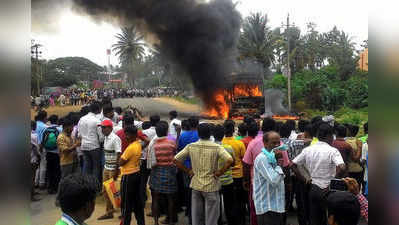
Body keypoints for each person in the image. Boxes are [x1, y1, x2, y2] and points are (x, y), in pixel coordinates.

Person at [174, 123, 233, 225]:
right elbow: (230, 160)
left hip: (196, 185)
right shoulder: (216, 147)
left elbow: (175, 160)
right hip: (211, 186)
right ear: (210, 133)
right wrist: (219, 173)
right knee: (211, 219)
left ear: (198, 133)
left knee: (197, 218)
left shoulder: (191, 146)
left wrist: (188, 171)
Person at [291, 123, 346, 225]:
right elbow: (342, 167)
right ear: (329, 136)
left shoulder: (308, 150)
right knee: (331, 218)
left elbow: (293, 164)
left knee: (315, 218)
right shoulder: (332, 151)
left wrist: (305, 179)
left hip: (313, 187)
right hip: (328, 190)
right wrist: (332, 183)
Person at [242, 117, 276, 225]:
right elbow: (285, 165)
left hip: (257, 184)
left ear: (262, 127)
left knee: (256, 211)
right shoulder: (278, 143)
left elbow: (246, 164)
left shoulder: (253, 143)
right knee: (274, 210)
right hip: (275, 183)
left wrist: (246, 181)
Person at [253, 131, 285, 225]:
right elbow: (274, 181)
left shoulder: (273, 157)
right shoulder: (262, 158)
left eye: (278, 143)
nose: (277, 145)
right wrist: (279, 164)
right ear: (265, 143)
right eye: (273, 143)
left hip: (276, 206)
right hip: (267, 207)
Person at [150, 121, 178, 225]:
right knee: (170, 198)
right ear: (166, 131)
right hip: (170, 171)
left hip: (157, 171)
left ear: (156, 132)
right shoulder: (172, 142)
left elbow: (151, 160)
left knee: (156, 198)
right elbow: (175, 152)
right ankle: (170, 221)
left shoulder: (153, 144)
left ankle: (156, 222)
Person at [222, 120, 247, 225]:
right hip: (238, 175)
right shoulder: (239, 143)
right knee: (240, 200)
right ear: (233, 131)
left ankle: (230, 220)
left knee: (228, 201)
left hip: (225, 176)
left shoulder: (221, 143)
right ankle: (241, 221)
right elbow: (244, 160)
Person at [119, 126, 145, 225]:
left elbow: (120, 162)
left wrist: (120, 160)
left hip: (128, 176)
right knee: (137, 202)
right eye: (126, 134)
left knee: (126, 204)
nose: (126, 137)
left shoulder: (130, 148)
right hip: (136, 174)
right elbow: (146, 141)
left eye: (128, 134)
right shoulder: (138, 144)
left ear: (134, 135)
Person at [177, 116, 200, 224]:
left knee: (188, 189)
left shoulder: (183, 135)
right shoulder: (200, 135)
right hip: (199, 167)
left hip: (186, 167)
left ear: (189, 125)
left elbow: (179, 150)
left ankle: (189, 211)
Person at [97, 119, 122, 220]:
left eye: (104, 127)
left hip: (112, 169)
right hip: (106, 167)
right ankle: (109, 211)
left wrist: (116, 170)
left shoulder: (115, 138)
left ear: (110, 128)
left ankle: (122, 211)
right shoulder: (106, 138)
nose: (102, 129)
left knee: (115, 191)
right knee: (105, 191)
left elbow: (119, 154)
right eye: (101, 128)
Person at [213, 124, 236, 225]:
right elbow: (233, 163)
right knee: (229, 205)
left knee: (215, 205)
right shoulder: (229, 148)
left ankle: (218, 222)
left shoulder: (210, 148)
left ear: (213, 134)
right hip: (227, 181)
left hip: (214, 181)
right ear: (223, 135)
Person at [77, 102, 104, 186]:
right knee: (96, 167)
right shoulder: (97, 121)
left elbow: (79, 134)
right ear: (98, 109)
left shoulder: (82, 119)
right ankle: (94, 185)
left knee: (87, 165)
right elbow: (101, 137)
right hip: (94, 146)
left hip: (84, 146)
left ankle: (85, 185)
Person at [44, 115, 63, 194]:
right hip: (56, 153)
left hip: (48, 152)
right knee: (57, 170)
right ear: (57, 121)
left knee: (50, 170)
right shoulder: (59, 129)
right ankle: (56, 187)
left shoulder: (46, 129)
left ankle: (50, 187)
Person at [35, 110, 48, 189]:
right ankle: (41, 183)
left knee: (36, 166)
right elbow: (45, 138)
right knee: (43, 165)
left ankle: (35, 182)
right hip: (42, 147)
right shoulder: (45, 127)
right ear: (44, 117)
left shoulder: (34, 124)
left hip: (33, 147)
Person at [31, 121, 41, 201]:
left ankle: (33, 192)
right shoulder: (34, 135)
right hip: (32, 159)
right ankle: (32, 195)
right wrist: (38, 156)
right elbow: (36, 149)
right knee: (32, 177)